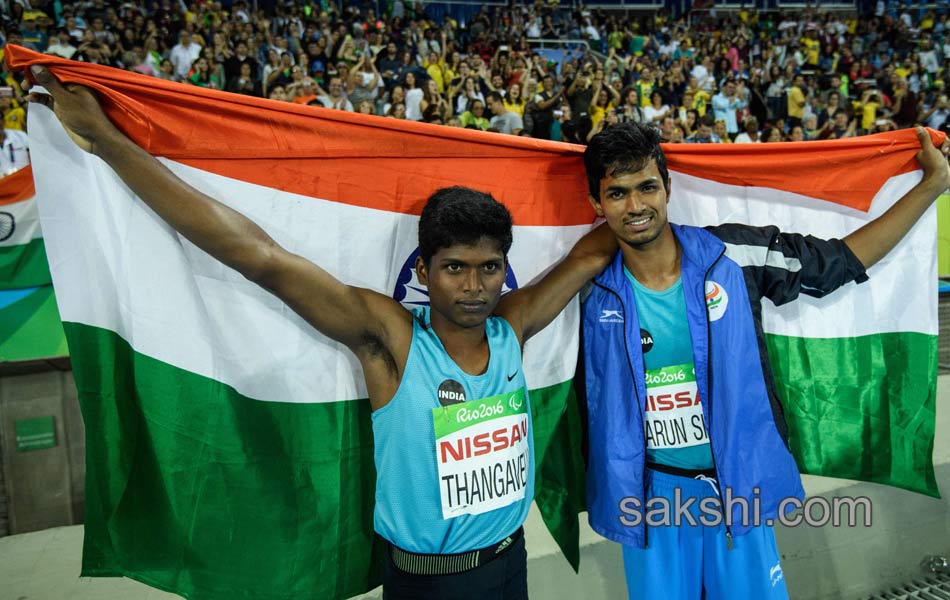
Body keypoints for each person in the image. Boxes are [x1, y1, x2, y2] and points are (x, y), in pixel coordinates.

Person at [27, 64, 615, 600]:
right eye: (454, 268)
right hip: (429, 585)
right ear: (425, 271)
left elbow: (590, 254)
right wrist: (105, 140)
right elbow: (261, 257)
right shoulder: (392, 339)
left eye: (489, 269)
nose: (473, 286)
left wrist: (656, 180)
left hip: (512, 568)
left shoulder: (512, 328)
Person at [579, 121, 950, 600]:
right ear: (596, 203)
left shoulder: (732, 254)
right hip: (650, 506)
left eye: (647, 187)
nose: (635, 206)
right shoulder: (588, 288)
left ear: (668, 187)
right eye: (617, 193)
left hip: (738, 493)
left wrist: (933, 187)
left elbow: (841, 262)